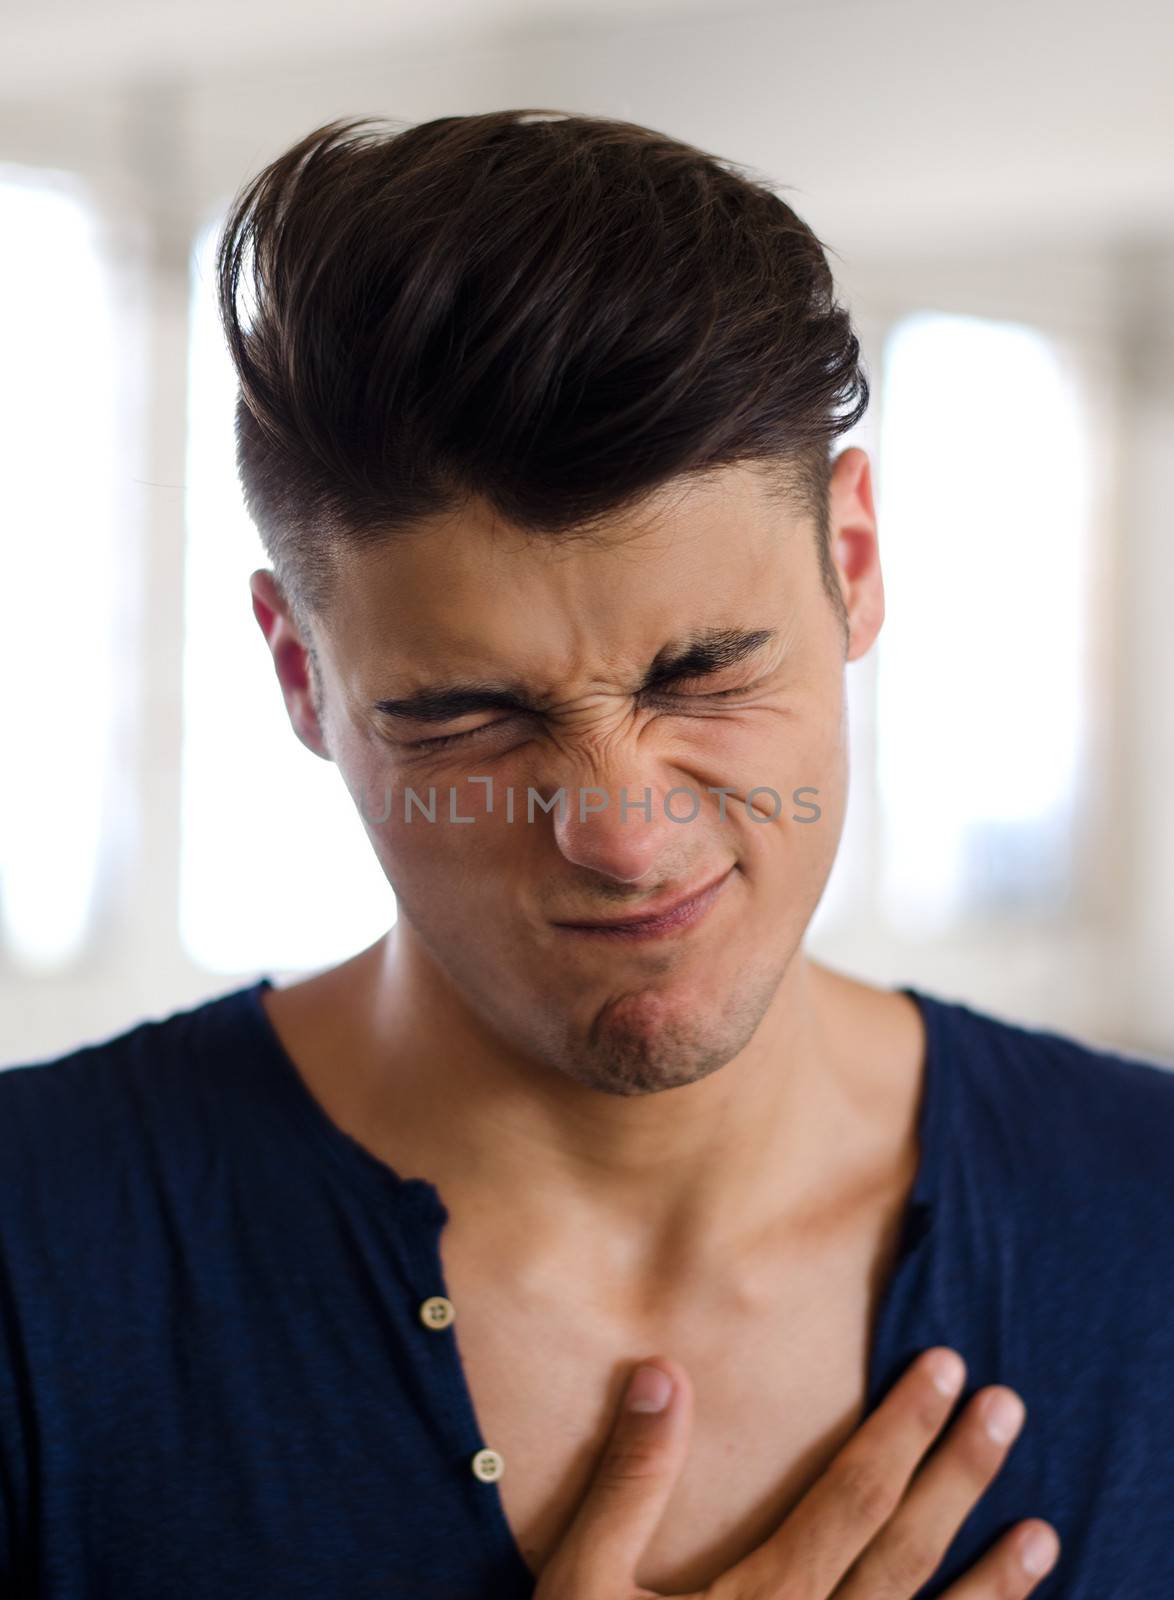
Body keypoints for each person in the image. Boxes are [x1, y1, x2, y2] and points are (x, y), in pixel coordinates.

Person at [2, 109, 1172, 1600]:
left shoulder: (1151, 1216)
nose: (623, 838)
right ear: (299, 676)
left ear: (854, 565)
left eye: (702, 676)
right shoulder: (32, 1264)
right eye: (470, 718)